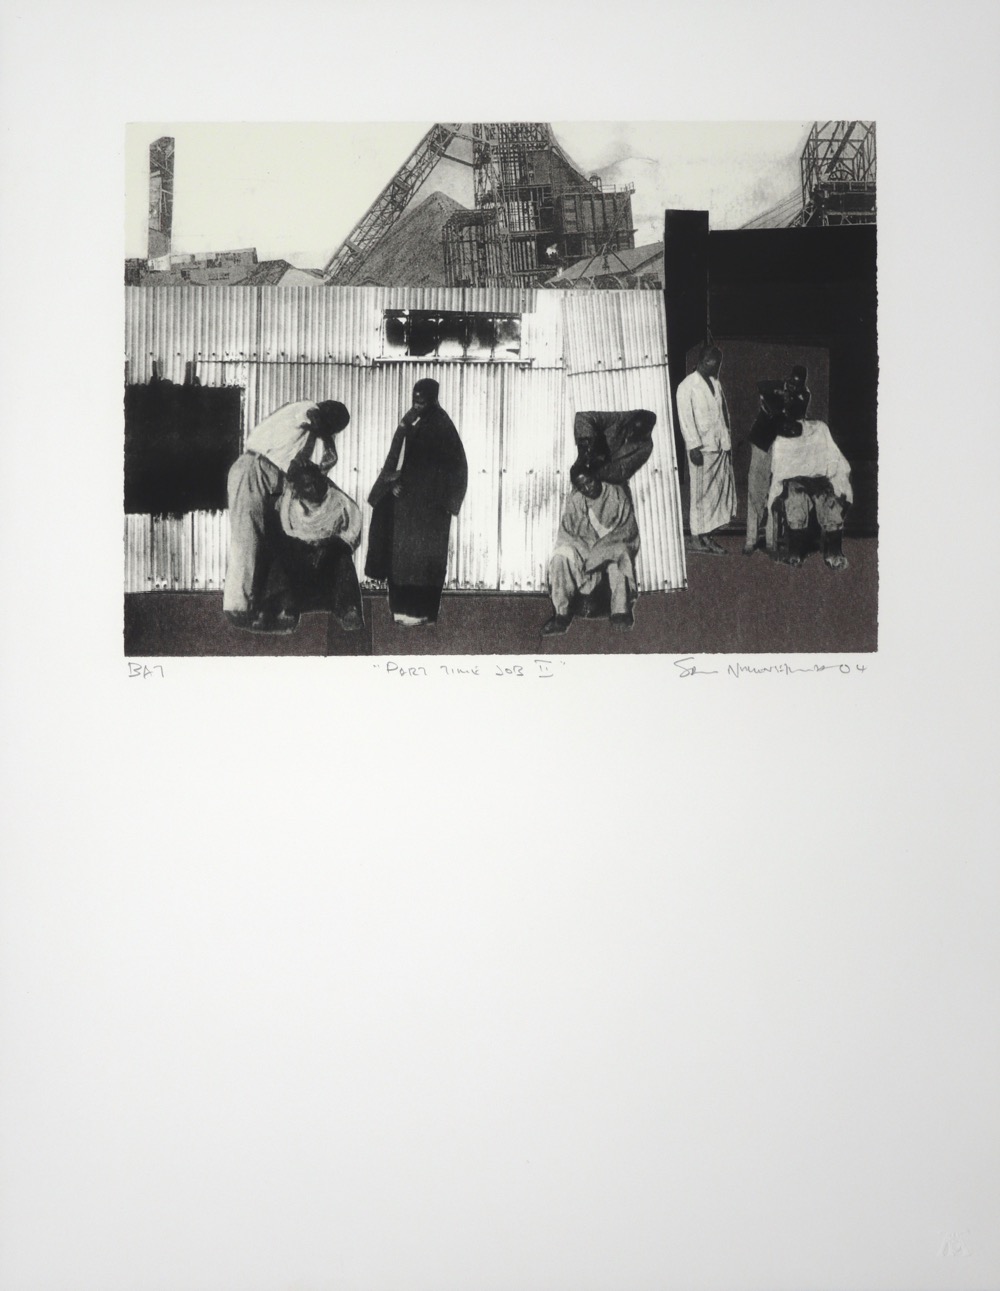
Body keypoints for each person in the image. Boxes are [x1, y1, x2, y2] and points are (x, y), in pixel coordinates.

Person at [223, 399, 358, 631]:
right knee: (248, 537)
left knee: (268, 540)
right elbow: (315, 420)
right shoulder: (307, 409)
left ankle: (260, 606)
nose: (331, 434)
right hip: (254, 469)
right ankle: (238, 609)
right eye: (333, 429)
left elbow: (299, 467)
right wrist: (329, 445)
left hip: (270, 475)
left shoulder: (305, 434)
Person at [366, 379, 468, 626]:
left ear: (433, 400)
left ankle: (425, 614)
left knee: (426, 563)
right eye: (415, 399)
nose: (417, 404)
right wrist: (392, 483)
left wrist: (447, 503)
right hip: (406, 509)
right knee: (401, 560)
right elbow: (398, 458)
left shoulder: (442, 425)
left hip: (429, 512)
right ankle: (401, 612)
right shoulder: (411, 420)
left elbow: (457, 467)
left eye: (422, 401)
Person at [541, 461, 640, 635]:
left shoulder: (616, 493)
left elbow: (627, 529)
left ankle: (620, 612)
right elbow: (567, 533)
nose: (588, 488)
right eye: (582, 486)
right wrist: (584, 552)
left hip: (611, 544)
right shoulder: (576, 499)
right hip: (585, 546)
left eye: (590, 482)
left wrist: (600, 552)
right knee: (560, 557)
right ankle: (561, 615)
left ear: (596, 477)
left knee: (621, 555)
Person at [675, 344, 736, 554]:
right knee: (700, 495)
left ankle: (708, 535)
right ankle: (696, 537)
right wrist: (693, 447)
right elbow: (685, 420)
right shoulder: (687, 386)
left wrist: (726, 442)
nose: (717, 366)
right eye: (714, 362)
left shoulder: (714, 383)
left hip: (718, 446)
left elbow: (722, 416)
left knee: (715, 495)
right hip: (701, 450)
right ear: (704, 361)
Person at [768, 418, 852, 570]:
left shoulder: (819, 429)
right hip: (795, 481)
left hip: (819, 480)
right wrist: (801, 479)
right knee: (796, 500)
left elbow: (833, 457)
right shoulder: (782, 436)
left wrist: (824, 477)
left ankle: (834, 553)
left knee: (829, 501)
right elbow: (780, 469)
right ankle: (794, 553)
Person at [743, 365, 810, 555]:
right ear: (788, 379)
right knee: (755, 488)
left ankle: (771, 540)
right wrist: (773, 395)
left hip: (780, 444)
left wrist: (779, 405)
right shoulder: (778, 385)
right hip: (761, 441)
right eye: (791, 382)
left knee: (775, 489)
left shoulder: (804, 396)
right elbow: (761, 387)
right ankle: (751, 539)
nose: (793, 386)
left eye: (798, 384)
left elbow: (793, 414)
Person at [572, 409, 657, 485]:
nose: (631, 433)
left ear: (647, 432)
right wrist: (584, 450)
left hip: (608, 482)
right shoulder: (619, 418)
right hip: (586, 477)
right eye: (631, 428)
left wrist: (595, 469)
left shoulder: (646, 447)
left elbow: (622, 471)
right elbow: (583, 417)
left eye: (637, 432)